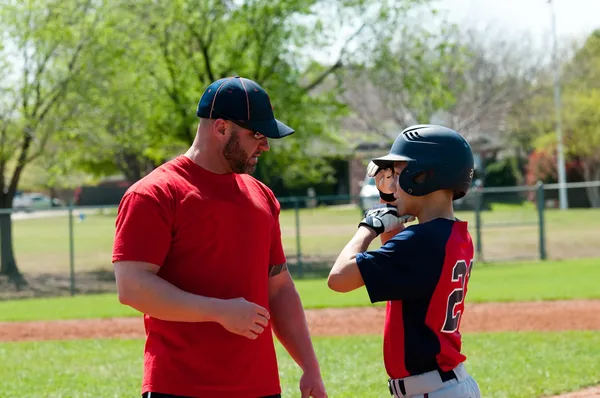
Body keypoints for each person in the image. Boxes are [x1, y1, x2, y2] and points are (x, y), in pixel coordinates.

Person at [112, 76, 327, 398]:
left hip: (260, 388)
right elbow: (132, 287)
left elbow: (279, 288)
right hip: (180, 387)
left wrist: (309, 366)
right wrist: (219, 311)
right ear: (222, 128)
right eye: (257, 134)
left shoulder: (261, 196)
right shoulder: (154, 194)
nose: (265, 145)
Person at [327, 124, 481, 398]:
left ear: (423, 177)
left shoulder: (421, 241)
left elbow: (338, 278)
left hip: (431, 390)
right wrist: (391, 217)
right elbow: (399, 270)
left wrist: (367, 228)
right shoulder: (453, 234)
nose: (393, 184)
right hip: (444, 385)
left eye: (399, 174)